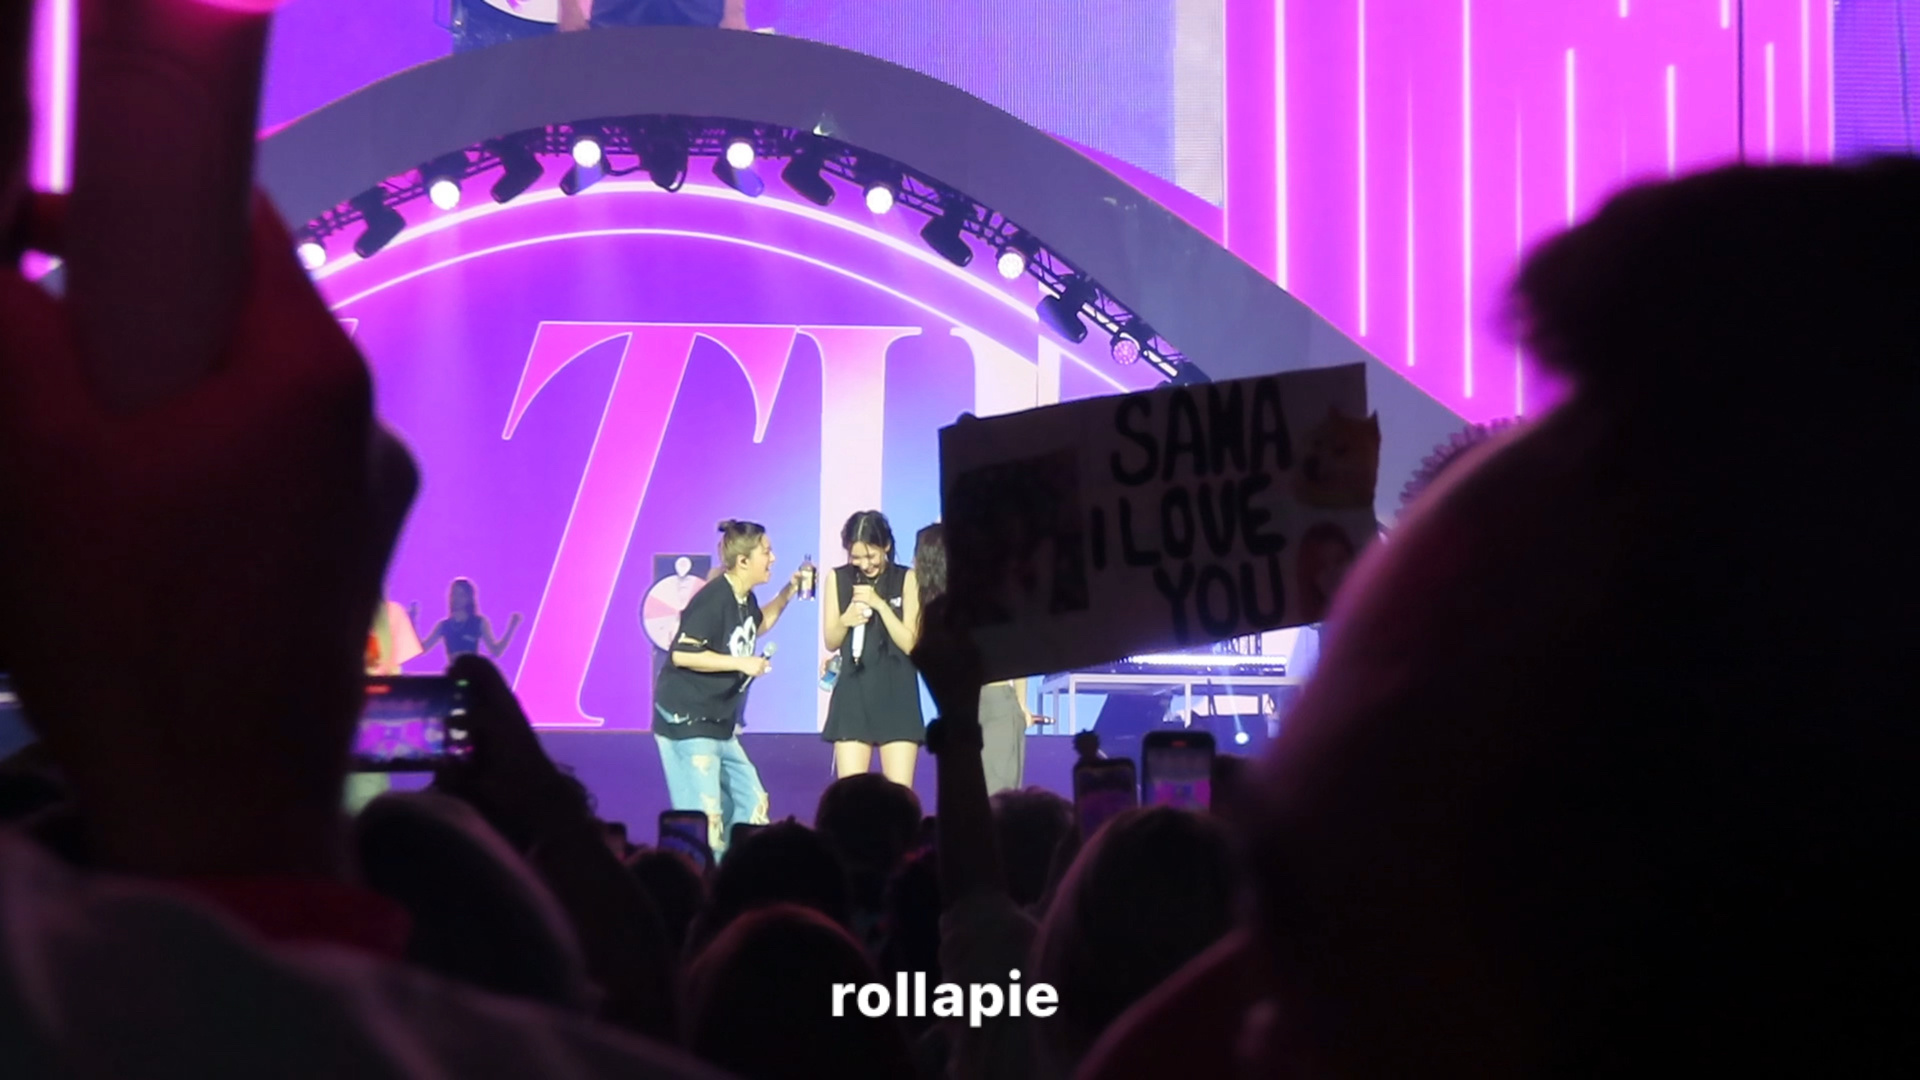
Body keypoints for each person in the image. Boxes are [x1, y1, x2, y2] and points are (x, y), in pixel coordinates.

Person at [652, 520, 800, 858]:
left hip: (718, 722)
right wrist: (741, 663)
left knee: (752, 801)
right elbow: (682, 654)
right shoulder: (713, 599)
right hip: (689, 720)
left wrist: (788, 592)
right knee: (708, 820)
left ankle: (740, 870)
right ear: (743, 561)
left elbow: (757, 624)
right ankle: (705, 880)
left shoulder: (744, 598)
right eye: (766, 552)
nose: (773, 558)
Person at [912, 524, 1032, 793]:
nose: (913, 562)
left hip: (994, 704)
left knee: (996, 798)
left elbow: (1015, 647)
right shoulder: (933, 606)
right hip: (960, 711)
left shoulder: (977, 599)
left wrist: (1021, 702)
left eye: (917, 555)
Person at [821, 511, 923, 786]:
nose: (865, 565)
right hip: (854, 693)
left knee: (900, 794)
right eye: (856, 557)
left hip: (898, 693)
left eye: (871, 556)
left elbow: (911, 643)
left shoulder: (907, 578)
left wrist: (880, 605)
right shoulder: (838, 578)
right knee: (851, 795)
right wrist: (846, 619)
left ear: (886, 546)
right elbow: (831, 640)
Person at [417, 577, 522, 662]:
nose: (456, 598)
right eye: (454, 594)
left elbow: (496, 651)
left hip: (472, 674)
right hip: (454, 674)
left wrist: (512, 627)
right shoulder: (444, 625)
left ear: (468, 598)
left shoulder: (478, 622)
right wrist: (413, 621)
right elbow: (422, 649)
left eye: (461, 595)